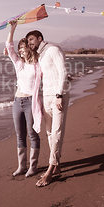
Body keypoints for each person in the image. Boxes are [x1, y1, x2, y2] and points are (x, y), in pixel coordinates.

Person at [25, 29, 69, 187]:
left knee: (57, 132)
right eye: (28, 41)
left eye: (31, 39)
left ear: (39, 38)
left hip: (58, 96)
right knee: (50, 132)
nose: (30, 43)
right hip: (47, 96)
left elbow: (63, 72)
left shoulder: (53, 49)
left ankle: (50, 170)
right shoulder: (40, 55)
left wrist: (59, 95)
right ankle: (57, 165)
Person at [5, 20, 42, 177]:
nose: (20, 51)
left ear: (29, 49)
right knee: (20, 135)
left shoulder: (37, 64)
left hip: (30, 103)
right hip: (17, 102)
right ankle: (22, 166)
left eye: (23, 48)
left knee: (32, 134)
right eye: (19, 48)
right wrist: (12, 29)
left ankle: (33, 166)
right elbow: (9, 47)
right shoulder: (18, 64)